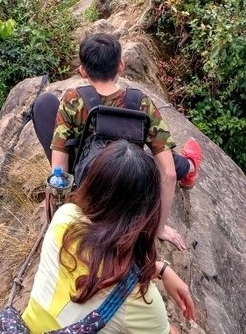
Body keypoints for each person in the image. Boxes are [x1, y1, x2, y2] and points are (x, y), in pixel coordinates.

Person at [32, 33, 202, 249]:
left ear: (82, 71)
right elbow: (167, 174)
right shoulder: (141, 103)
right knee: (160, 159)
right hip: (128, 192)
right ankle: (189, 167)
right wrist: (158, 229)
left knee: (44, 103)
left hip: (87, 185)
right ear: (121, 66)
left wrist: (65, 207)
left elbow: (59, 169)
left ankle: (187, 166)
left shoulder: (73, 99)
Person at [22, 140, 196, 334]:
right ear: (146, 214)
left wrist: (161, 269)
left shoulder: (64, 217)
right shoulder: (139, 300)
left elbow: (95, 261)